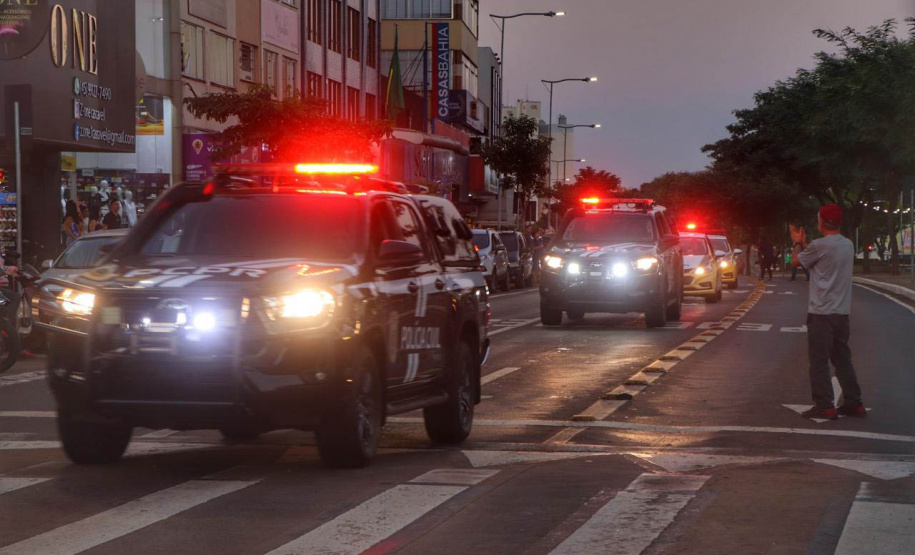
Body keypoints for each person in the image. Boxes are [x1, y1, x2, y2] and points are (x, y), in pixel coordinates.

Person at [789, 204, 865, 420]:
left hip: (821, 314)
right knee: (842, 360)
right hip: (842, 313)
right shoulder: (847, 245)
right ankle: (854, 403)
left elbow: (795, 262)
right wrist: (807, 246)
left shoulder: (819, 245)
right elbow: (821, 259)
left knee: (819, 361)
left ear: (821, 222)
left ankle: (825, 405)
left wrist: (797, 243)